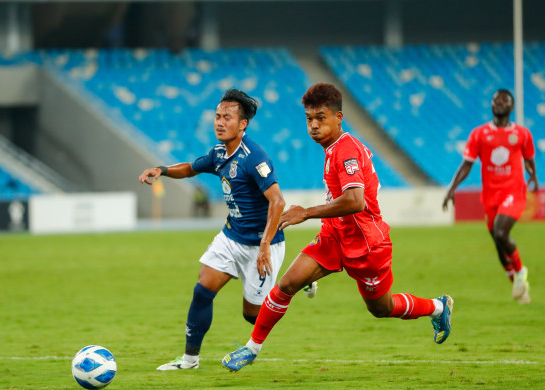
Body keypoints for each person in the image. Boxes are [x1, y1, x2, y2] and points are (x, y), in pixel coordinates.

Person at [222, 83, 453, 372]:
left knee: (381, 308)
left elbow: (356, 201)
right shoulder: (332, 149)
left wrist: (306, 212)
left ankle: (438, 308)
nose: (313, 125)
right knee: (288, 284)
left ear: (338, 117)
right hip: (334, 235)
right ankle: (252, 348)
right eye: (309, 119)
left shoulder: (346, 151)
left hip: (367, 244)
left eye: (320, 118)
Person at [139, 89, 293, 370]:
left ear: (242, 124)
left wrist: (263, 248)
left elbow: (278, 201)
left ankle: (296, 280)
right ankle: (189, 360)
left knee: (252, 315)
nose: (220, 122)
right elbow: (190, 168)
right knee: (202, 290)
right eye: (217, 116)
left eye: (227, 117)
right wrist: (162, 169)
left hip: (263, 244)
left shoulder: (254, 157)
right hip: (231, 237)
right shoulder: (219, 153)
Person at [443, 89, 537, 304]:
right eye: (496, 100)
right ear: (492, 105)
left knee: (501, 232)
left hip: (513, 191)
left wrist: (533, 175)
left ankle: (520, 272)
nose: (499, 103)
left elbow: (529, 158)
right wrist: (452, 188)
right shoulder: (479, 134)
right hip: (490, 195)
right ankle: (518, 284)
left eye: (504, 100)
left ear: (511, 106)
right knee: (498, 242)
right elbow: (467, 164)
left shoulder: (522, 134)